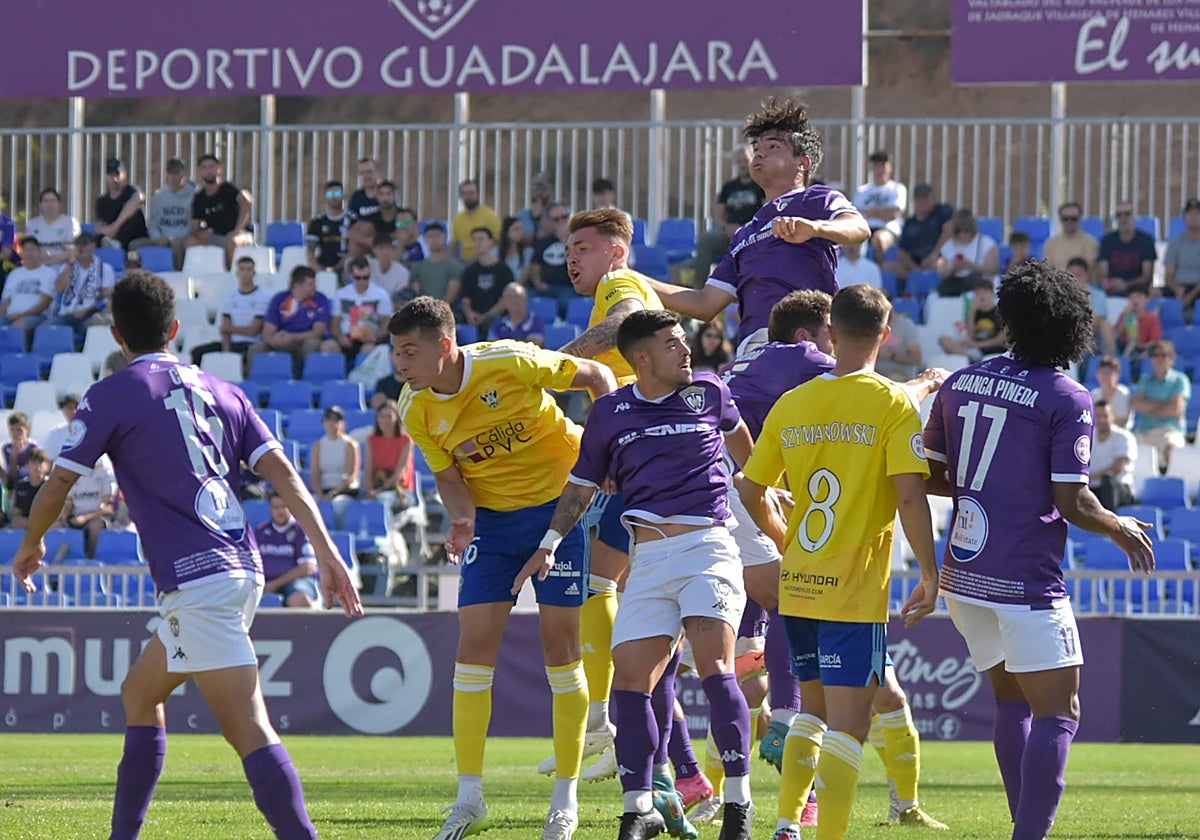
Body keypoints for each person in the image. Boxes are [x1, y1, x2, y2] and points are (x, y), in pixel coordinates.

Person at [13, 269, 363, 840]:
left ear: (116, 335)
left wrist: (30, 545)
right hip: (239, 566)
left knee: (248, 727)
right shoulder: (225, 391)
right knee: (140, 693)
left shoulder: (113, 392)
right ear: (175, 329)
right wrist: (327, 552)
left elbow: (57, 484)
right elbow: (286, 475)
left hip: (201, 579)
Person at [922, 260, 1154, 840]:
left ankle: (1021, 825)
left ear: (1011, 319)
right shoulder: (1067, 397)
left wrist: (991, 487)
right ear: (1071, 325)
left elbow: (933, 476)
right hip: (1023, 578)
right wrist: (1118, 525)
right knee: (1059, 712)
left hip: (964, 575)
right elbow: (1073, 502)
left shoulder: (960, 382)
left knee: (1012, 704)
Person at [519, 309, 757, 840]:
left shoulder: (711, 391)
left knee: (716, 667)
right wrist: (549, 544)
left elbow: (749, 455)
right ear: (642, 358)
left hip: (707, 548)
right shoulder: (610, 412)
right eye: (673, 343)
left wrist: (765, 492)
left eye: (684, 339)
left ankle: (739, 806)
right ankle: (640, 808)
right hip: (646, 559)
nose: (687, 350)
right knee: (630, 682)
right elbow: (582, 484)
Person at [391, 297, 617, 840]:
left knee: (560, 646)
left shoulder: (511, 360)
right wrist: (462, 519)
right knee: (473, 648)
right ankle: (469, 799)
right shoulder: (414, 407)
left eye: (409, 352)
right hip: (492, 525)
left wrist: (608, 453)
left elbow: (598, 375)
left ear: (445, 346)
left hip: (559, 508)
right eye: (395, 352)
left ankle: (565, 799)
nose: (399, 364)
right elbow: (448, 475)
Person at [737, 284, 941, 840]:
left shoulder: (793, 402)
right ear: (886, 335)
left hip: (800, 582)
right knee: (849, 726)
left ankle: (786, 825)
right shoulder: (892, 403)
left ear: (831, 333)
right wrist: (930, 573)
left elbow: (750, 488)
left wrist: (784, 539)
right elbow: (909, 496)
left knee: (812, 712)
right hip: (853, 589)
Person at [639, 98, 869, 355]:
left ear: (803, 163)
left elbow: (859, 228)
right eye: (756, 147)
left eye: (773, 146)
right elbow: (704, 304)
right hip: (752, 353)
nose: (759, 153)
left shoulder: (816, 199)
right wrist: (632, 278)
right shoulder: (744, 234)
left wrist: (816, 228)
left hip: (804, 345)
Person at [692, 147, 766, 279]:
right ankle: (699, 286)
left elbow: (766, 212)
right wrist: (725, 227)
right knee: (706, 240)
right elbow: (719, 214)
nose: (742, 165)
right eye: (739, 162)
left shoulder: (761, 186)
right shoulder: (728, 187)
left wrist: (745, 229)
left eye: (745, 161)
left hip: (752, 234)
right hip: (729, 234)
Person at [247, 266, 332, 379]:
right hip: (282, 341)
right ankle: (251, 383)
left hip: (303, 341)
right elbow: (267, 331)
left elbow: (318, 332)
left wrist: (292, 337)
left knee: (312, 344)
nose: (315, 287)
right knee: (256, 349)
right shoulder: (279, 299)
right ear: (297, 285)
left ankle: (308, 383)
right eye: (310, 284)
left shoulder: (320, 299)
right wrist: (275, 341)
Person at [189, 256, 272, 368]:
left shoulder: (263, 297)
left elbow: (253, 331)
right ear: (237, 273)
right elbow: (225, 328)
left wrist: (229, 329)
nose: (245, 273)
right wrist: (226, 351)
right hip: (231, 344)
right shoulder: (230, 297)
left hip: (251, 345)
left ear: (254, 273)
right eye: (242, 269)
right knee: (197, 352)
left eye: (248, 269)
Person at [183, 154, 254, 269]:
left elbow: (247, 200)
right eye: (204, 168)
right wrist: (200, 232)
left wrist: (237, 230)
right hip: (215, 236)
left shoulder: (229, 189)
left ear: (219, 169)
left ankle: (234, 273)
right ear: (200, 171)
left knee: (232, 241)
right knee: (190, 242)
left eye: (212, 167)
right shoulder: (199, 197)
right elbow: (195, 223)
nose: (209, 171)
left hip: (238, 235)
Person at [46, 231, 116, 346]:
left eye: (85, 244)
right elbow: (59, 288)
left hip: (91, 313)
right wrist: (70, 265)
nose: (81, 248)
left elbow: (105, 297)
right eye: (78, 244)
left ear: (93, 246)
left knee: (91, 327)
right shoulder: (68, 266)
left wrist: (87, 311)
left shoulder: (104, 269)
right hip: (67, 313)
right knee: (46, 327)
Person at [254, 493, 322, 608]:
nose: (280, 511)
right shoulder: (261, 531)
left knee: (300, 600)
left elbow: (308, 568)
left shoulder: (301, 531)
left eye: (284, 506)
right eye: (276, 507)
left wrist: (275, 584)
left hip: (296, 582)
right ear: (270, 509)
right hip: (265, 582)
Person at [1132, 339, 1189, 474]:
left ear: (1172, 358)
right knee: (1129, 449)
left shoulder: (1180, 380)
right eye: (1155, 355)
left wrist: (1149, 407)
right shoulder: (1145, 380)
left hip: (1170, 431)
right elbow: (1136, 405)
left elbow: (1175, 409)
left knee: (1172, 450)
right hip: (1145, 432)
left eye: (1163, 355)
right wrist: (1165, 404)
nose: (1159, 359)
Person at [325, 257, 393, 365]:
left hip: (370, 339)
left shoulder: (381, 294)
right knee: (328, 346)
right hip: (346, 337)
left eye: (366, 277)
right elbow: (335, 322)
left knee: (368, 350)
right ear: (351, 276)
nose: (362, 281)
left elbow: (386, 322)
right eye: (358, 278)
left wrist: (376, 337)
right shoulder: (340, 294)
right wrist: (340, 336)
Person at [130, 158, 195, 270]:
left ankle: (179, 274)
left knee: (177, 247)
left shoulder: (194, 195)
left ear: (184, 173)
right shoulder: (159, 195)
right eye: (170, 173)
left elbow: (192, 226)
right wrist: (157, 237)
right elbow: (153, 223)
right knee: (134, 245)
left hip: (181, 238)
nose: (173, 177)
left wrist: (171, 239)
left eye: (176, 173)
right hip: (161, 238)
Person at [455, 228, 515, 331]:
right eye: (474, 240)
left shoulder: (504, 270)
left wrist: (485, 316)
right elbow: (466, 298)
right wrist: (469, 314)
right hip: (474, 316)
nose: (478, 243)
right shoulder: (469, 271)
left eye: (481, 239)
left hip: (495, 317)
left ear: (491, 242)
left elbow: (505, 300)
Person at [891, 183, 952, 282]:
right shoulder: (909, 223)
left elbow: (949, 229)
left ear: (933, 198)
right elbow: (902, 252)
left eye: (925, 198)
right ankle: (916, 279)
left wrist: (934, 255)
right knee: (888, 267)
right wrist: (916, 269)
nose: (921, 201)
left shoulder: (942, 212)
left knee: (941, 264)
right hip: (914, 264)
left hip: (938, 257)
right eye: (918, 198)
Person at [855, 150, 908, 263]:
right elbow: (857, 216)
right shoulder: (862, 191)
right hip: (864, 230)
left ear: (890, 167)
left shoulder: (897, 189)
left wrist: (871, 212)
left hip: (888, 230)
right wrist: (882, 210)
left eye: (883, 166)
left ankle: (879, 270)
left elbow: (893, 214)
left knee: (879, 239)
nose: (880, 170)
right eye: (876, 166)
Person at [0, 235, 56, 341]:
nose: (29, 253)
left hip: (37, 315)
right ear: (21, 253)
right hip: (11, 315)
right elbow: (7, 301)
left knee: (16, 328)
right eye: (26, 250)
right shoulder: (14, 274)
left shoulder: (49, 273)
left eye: (33, 250)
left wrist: (21, 315)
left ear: (39, 252)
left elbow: (45, 303)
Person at [363, 399, 415, 510]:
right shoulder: (371, 440)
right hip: (376, 485)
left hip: (400, 490)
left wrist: (379, 491)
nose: (385, 420)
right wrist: (369, 490)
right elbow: (368, 469)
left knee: (382, 501)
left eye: (389, 416)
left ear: (397, 418)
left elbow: (399, 473)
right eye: (381, 416)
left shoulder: (406, 441)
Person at [938, 277, 1006, 362]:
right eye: (978, 293)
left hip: (994, 350)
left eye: (984, 292)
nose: (981, 296)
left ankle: (973, 360)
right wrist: (972, 312)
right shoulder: (974, 312)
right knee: (944, 340)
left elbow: (1001, 339)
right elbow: (970, 336)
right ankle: (971, 359)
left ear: (992, 294)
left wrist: (976, 344)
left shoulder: (999, 312)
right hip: (976, 350)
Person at [62, 453, 116, 558]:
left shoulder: (104, 475)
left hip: (97, 517)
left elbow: (109, 508)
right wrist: (64, 517)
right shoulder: (73, 475)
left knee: (95, 526)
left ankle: (91, 560)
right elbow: (69, 505)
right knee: (55, 526)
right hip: (77, 517)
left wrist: (85, 518)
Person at [936, 210, 999, 297]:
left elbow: (992, 269)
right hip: (955, 288)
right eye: (958, 231)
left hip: (979, 287)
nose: (962, 234)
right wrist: (953, 267)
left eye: (966, 230)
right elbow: (942, 272)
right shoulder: (948, 246)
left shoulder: (987, 244)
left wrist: (970, 265)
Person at [1098, 202, 1156, 296]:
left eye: (1127, 214)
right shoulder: (1107, 241)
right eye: (1119, 215)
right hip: (1111, 292)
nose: (1123, 218)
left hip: (1138, 292)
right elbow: (1103, 274)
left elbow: (1147, 276)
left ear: (1134, 216)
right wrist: (1109, 283)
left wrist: (1126, 285)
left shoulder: (1146, 241)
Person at [1089, 400, 1137, 511]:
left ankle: (1109, 520)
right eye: (1098, 416)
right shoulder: (1088, 436)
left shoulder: (1124, 437)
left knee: (1108, 481)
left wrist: (1091, 478)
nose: (1102, 420)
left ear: (1112, 416)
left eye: (1105, 416)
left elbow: (1118, 468)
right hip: (1093, 488)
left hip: (1119, 489)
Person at [310, 405, 362, 507]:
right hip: (325, 489)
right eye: (329, 420)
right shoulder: (318, 446)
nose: (333, 424)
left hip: (345, 491)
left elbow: (351, 475)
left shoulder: (350, 445)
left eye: (337, 420)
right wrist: (320, 494)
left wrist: (334, 492)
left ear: (343, 423)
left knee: (337, 505)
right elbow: (315, 474)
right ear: (324, 423)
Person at [531, 203, 576, 316]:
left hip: (569, 287)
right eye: (556, 219)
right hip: (546, 287)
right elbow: (535, 266)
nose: (562, 222)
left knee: (564, 301)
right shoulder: (542, 243)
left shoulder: (579, 241)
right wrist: (538, 283)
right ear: (549, 222)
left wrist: (565, 241)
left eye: (564, 217)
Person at [1066, 256, 1116, 358]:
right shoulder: (1061, 294)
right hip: (1067, 330)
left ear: (1086, 275)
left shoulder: (1098, 295)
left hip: (1090, 331)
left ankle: (1111, 358)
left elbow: (1099, 317)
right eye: (1071, 275)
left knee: (1105, 324)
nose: (1075, 279)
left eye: (1078, 275)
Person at [95, 159, 149, 252]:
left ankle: (116, 245)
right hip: (111, 238)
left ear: (124, 175)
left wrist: (115, 226)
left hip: (134, 239)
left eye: (117, 175)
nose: (114, 179)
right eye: (111, 175)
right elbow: (99, 227)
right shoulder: (102, 201)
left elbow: (139, 198)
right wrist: (108, 231)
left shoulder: (131, 192)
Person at [408, 222, 463, 303]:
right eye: (430, 236)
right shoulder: (417, 268)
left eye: (437, 235)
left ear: (445, 238)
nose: (434, 239)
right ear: (425, 239)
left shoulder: (455, 267)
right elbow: (416, 295)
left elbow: (450, 297)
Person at [24, 187, 81, 265]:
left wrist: (50, 262)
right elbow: (28, 249)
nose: (50, 204)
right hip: (38, 264)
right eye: (46, 201)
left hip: (64, 265)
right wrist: (39, 255)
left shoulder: (70, 222)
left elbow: (73, 251)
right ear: (40, 205)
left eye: (53, 201)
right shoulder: (32, 224)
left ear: (59, 204)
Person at [1114, 284, 1163, 375]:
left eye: (1139, 297)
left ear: (1147, 300)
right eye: (1132, 297)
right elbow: (1115, 336)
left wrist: (1140, 346)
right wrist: (1125, 318)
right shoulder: (1125, 315)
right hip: (1124, 348)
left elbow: (1155, 342)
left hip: (1142, 350)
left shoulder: (1152, 318)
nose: (1135, 300)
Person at [1163, 197, 1200, 317]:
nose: (1194, 217)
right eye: (1190, 213)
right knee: (1154, 293)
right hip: (1180, 286)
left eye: (1197, 213)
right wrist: (1177, 288)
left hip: (1198, 288)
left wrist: (1191, 295)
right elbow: (1168, 275)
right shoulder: (1176, 243)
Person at [450, 179, 502, 262]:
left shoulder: (489, 215)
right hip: (463, 261)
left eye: (472, 193)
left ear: (478, 194)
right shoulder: (458, 219)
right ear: (461, 196)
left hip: (485, 261)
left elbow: (497, 240)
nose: (469, 196)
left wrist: (476, 257)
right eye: (465, 193)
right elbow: (454, 243)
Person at [875, 295, 923, 382]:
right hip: (876, 374)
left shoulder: (906, 325)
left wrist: (892, 356)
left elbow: (917, 359)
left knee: (893, 378)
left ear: (891, 305)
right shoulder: (872, 325)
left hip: (900, 375)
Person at [1043, 202, 1099, 274]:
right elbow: (1048, 270)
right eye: (1065, 218)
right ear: (1060, 220)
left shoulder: (1091, 242)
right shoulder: (1051, 243)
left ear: (1080, 219)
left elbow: (1091, 270)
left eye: (1073, 219)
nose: (1069, 221)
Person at [306, 179, 349, 272]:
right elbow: (310, 252)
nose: (334, 197)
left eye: (337, 194)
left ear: (343, 196)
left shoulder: (352, 219)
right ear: (325, 197)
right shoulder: (317, 222)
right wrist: (319, 269)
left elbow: (355, 250)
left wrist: (336, 268)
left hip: (347, 266)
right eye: (330, 194)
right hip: (323, 265)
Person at [488, 281, 546, 346]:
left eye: (517, 296)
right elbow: (491, 347)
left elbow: (534, 344)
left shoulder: (535, 321)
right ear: (504, 302)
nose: (514, 301)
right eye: (509, 297)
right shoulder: (497, 326)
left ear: (526, 299)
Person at [9, 446, 49, 529]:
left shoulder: (51, 485)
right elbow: (16, 512)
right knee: (15, 522)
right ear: (27, 465)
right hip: (26, 521)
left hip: (47, 522)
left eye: (40, 462)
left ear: (47, 466)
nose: (37, 467)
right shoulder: (21, 486)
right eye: (34, 462)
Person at [1091, 356, 1133, 428]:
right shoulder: (1094, 394)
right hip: (1098, 432)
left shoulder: (1123, 394)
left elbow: (1122, 421)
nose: (1104, 375)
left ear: (1117, 375)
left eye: (1108, 372)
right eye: (1102, 371)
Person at [368, 232, 412, 300]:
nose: (385, 253)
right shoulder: (368, 265)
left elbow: (402, 298)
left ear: (392, 249)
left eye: (387, 248)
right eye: (381, 248)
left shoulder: (402, 272)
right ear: (374, 250)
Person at [5, 412, 40, 491]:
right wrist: (14, 457)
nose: (15, 434)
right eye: (12, 430)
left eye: (19, 430)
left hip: (31, 485)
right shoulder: (7, 448)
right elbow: (12, 478)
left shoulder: (34, 448)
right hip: (16, 486)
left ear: (27, 430)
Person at [41, 393, 81, 461]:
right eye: (69, 408)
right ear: (63, 410)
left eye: (76, 407)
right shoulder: (55, 433)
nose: (74, 411)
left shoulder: (90, 432)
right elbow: (48, 460)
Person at [346, 157, 382, 226]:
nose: (366, 176)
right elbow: (351, 224)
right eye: (362, 173)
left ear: (377, 172)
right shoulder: (356, 197)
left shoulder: (388, 193)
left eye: (369, 172)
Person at [499, 216, 533, 282]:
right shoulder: (495, 251)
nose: (520, 232)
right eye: (516, 229)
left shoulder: (527, 252)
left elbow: (524, 277)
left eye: (521, 229)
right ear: (506, 231)